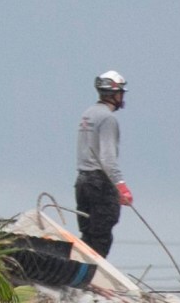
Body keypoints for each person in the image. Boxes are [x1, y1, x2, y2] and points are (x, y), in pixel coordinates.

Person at [76, 71, 131, 258]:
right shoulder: (108, 119)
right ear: (114, 94)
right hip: (99, 183)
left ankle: (81, 274)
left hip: (82, 182)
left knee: (87, 235)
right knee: (101, 237)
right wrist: (121, 186)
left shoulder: (88, 114)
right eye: (121, 93)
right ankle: (94, 277)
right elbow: (108, 158)